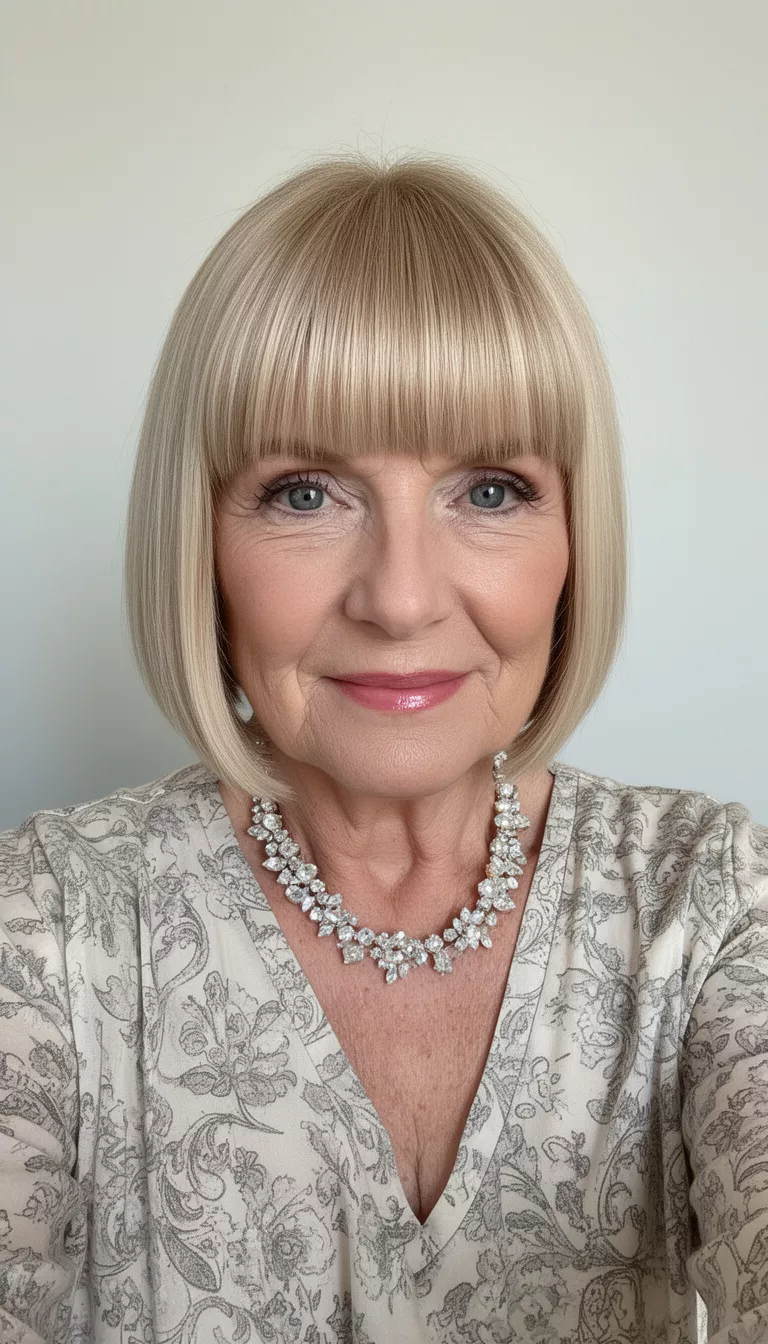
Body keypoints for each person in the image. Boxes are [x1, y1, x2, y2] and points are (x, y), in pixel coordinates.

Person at [0, 152, 766, 1344]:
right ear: (199, 540)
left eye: (492, 489)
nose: (403, 600)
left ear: (576, 535)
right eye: (305, 492)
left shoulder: (706, 901)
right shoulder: (49, 925)